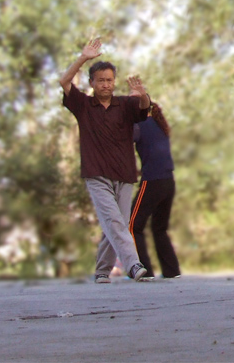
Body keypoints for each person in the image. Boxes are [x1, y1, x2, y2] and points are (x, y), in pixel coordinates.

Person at [60, 38, 153, 283]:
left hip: (124, 173)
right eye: (100, 80)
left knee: (116, 224)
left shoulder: (125, 104)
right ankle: (134, 265)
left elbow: (145, 108)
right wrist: (83, 58)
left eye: (109, 80)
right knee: (114, 221)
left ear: (114, 82)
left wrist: (143, 95)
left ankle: (102, 271)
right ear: (92, 83)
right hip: (96, 173)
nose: (105, 84)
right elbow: (63, 81)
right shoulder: (82, 105)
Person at [129, 101, 182, 279]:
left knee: (133, 225)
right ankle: (172, 271)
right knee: (160, 228)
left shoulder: (139, 125)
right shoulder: (160, 125)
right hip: (168, 181)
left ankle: (144, 271)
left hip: (152, 181)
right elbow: (155, 154)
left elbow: (122, 145)